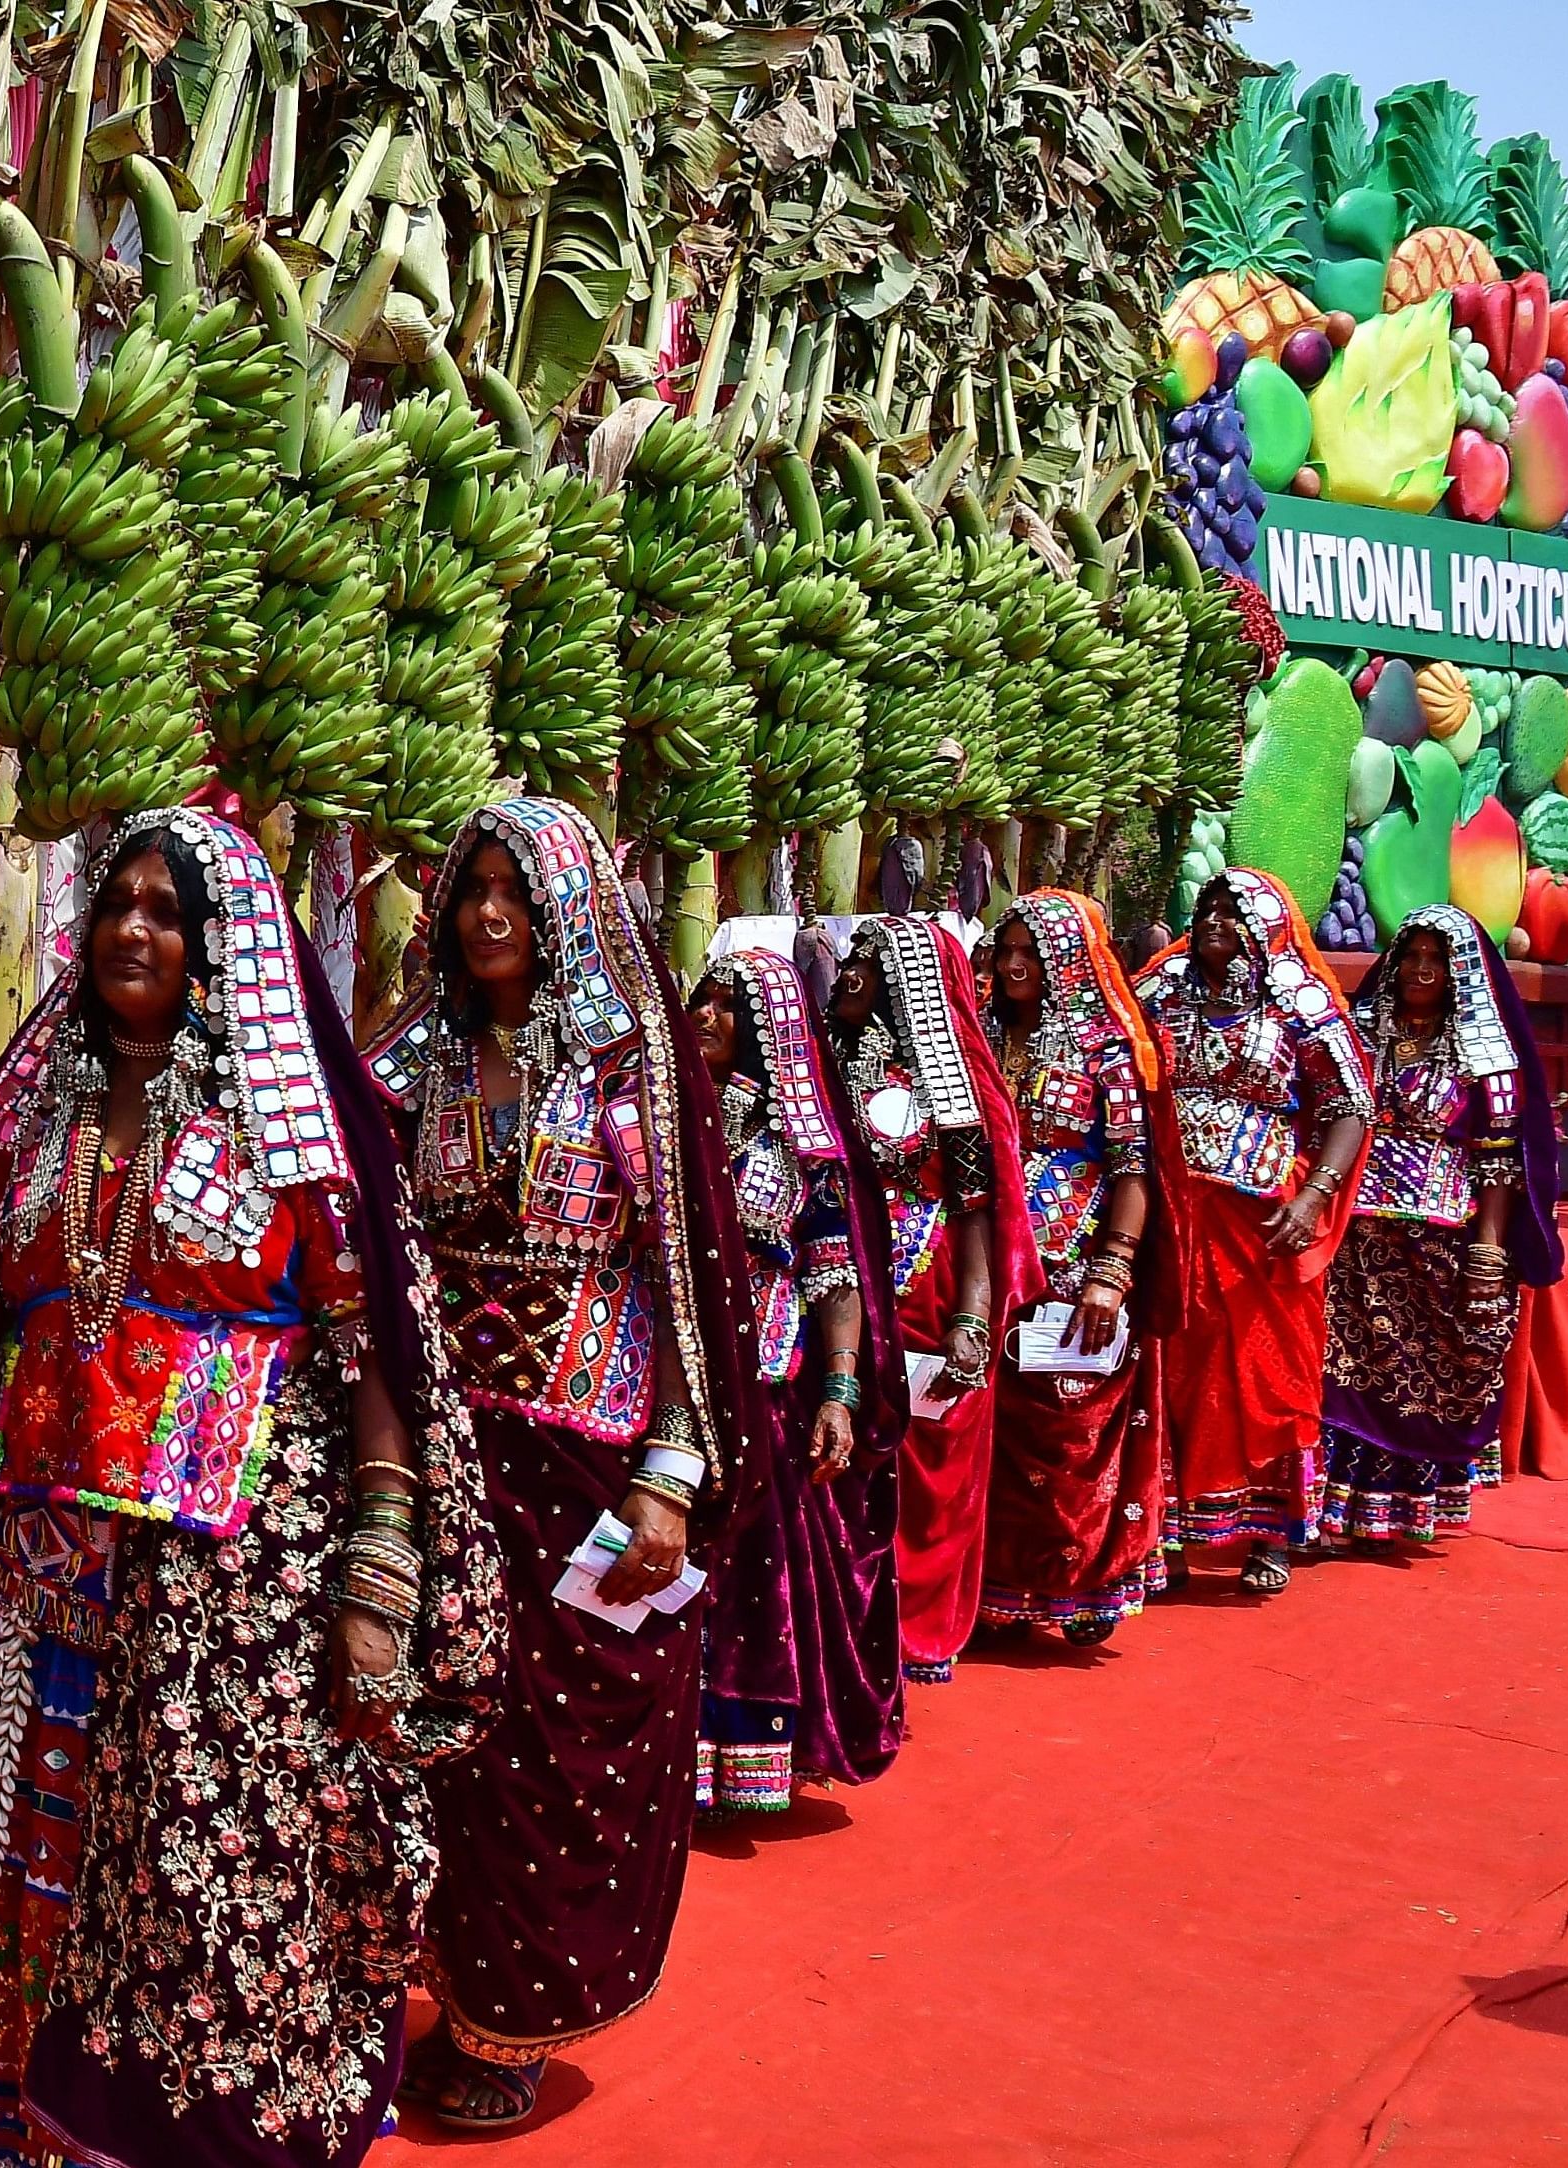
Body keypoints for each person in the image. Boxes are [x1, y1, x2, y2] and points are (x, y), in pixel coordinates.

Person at [0, 808, 496, 2168]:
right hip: (39, 1581)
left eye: (165, 911)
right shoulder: (17, 1121)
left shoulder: (288, 1131)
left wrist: (374, 1586)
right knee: (2, 1875)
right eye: (115, 906)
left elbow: (367, 1352)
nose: (131, 929)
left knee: (201, 1904)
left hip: (233, 1594)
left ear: (219, 953)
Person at [360, 797, 768, 2130]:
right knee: (419, 1738)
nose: (486, 914)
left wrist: (668, 1473)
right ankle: (397, 1978)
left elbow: (687, 1276)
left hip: (583, 1466)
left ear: (565, 913)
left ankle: (508, 2022)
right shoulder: (408, 1055)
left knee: (552, 1756)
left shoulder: (614, 1070)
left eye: (512, 893)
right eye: (469, 887)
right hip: (435, 1459)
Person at [682, 946, 901, 1814]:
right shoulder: (651, 1120)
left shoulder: (799, 1146)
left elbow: (832, 1268)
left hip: (768, 1371)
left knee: (753, 1567)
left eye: (728, 1006)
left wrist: (841, 1389)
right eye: (698, 1000)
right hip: (660, 1362)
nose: (705, 1016)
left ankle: (741, 1753)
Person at [1136, 868, 1375, 1594]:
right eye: (1206, 907)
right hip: (1173, 1211)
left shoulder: (1299, 1003)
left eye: (1232, 911)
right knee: (1171, 1371)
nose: (1214, 920)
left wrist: (1313, 1199)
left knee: (1271, 1375)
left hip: (1264, 1219)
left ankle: (1271, 1530)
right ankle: (1168, 1533)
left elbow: (1350, 1105)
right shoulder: (1158, 992)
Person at [824, 916, 1037, 1682]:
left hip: (926, 1286)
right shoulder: (811, 1066)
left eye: (871, 967)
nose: (849, 974)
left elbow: (979, 1208)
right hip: (834, 1285)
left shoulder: (950, 1095)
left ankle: (920, 1626)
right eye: (849, 959)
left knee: (929, 1466)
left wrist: (973, 1320)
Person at [1320, 905, 1565, 1544]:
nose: (1421, 970)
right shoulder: (1358, 1034)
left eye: (1437, 959)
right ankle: (1331, 1508)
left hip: (1442, 1237)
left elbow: (1500, 1161)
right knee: (1341, 1370)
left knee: (1429, 1371)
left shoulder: (1487, 1056)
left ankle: (1405, 1508)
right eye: (1412, 956)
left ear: (1460, 973)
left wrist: (1487, 1253)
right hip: (1354, 1234)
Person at [975, 891, 1169, 1647]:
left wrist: (1110, 1271)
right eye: (1005, 951)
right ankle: (991, 1592)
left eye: (1032, 952)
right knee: (988, 1428)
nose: (1015, 965)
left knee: (1067, 1431)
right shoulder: (975, 1035)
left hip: (1068, 1258)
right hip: (986, 1256)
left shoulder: (1104, 1049)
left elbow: (1132, 1168)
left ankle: (1076, 1584)